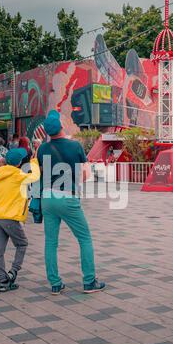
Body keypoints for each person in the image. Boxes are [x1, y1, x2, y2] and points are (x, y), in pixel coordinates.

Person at [37, 110, 105, 295]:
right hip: (67, 196)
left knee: (51, 242)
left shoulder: (42, 149)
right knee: (84, 238)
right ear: (61, 126)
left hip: (47, 198)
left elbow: (42, 173)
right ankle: (89, 281)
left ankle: (55, 284)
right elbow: (83, 175)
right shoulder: (75, 146)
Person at [0, 148, 40, 293]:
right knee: (22, 244)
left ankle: (3, 281)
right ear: (19, 163)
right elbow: (35, 176)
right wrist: (34, 160)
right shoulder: (19, 175)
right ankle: (13, 272)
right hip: (10, 218)